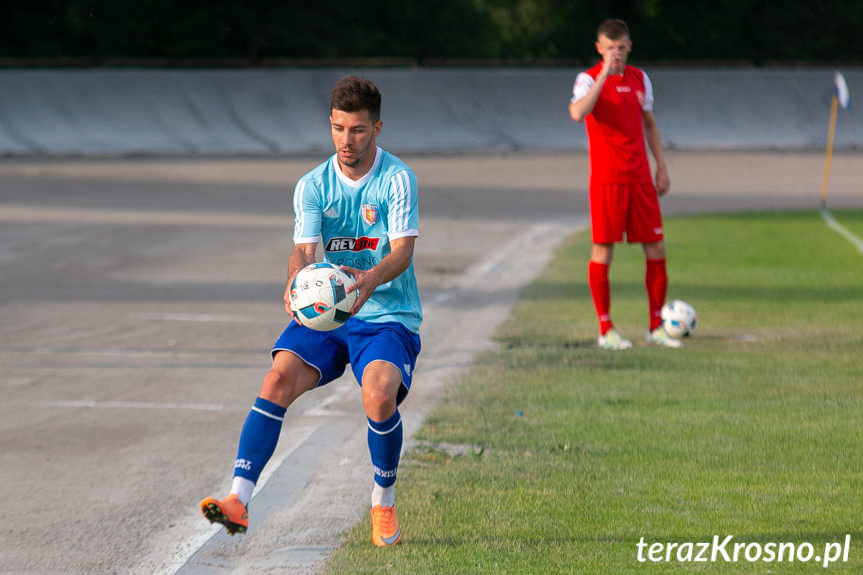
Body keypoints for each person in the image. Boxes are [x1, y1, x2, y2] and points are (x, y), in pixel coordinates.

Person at [200, 75, 421, 547]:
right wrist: (295, 281)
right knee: (276, 379)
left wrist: (368, 281)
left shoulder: (397, 179)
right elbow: (302, 251)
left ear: (377, 128)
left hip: (385, 312)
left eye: (358, 130)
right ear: (330, 125)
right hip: (328, 309)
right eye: (339, 129)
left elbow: (402, 252)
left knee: (379, 398)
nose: (347, 140)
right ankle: (239, 499)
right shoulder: (312, 185)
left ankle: (383, 503)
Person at [568, 18, 681, 349]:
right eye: (609, 48)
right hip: (607, 180)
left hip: (640, 178)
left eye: (621, 47)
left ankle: (656, 326)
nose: (616, 53)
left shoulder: (640, 79)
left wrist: (661, 165)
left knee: (657, 248)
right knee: (604, 250)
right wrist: (603, 74)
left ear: (629, 46)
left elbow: (649, 124)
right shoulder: (587, 79)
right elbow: (577, 113)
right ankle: (606, 330)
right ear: (599, 49)